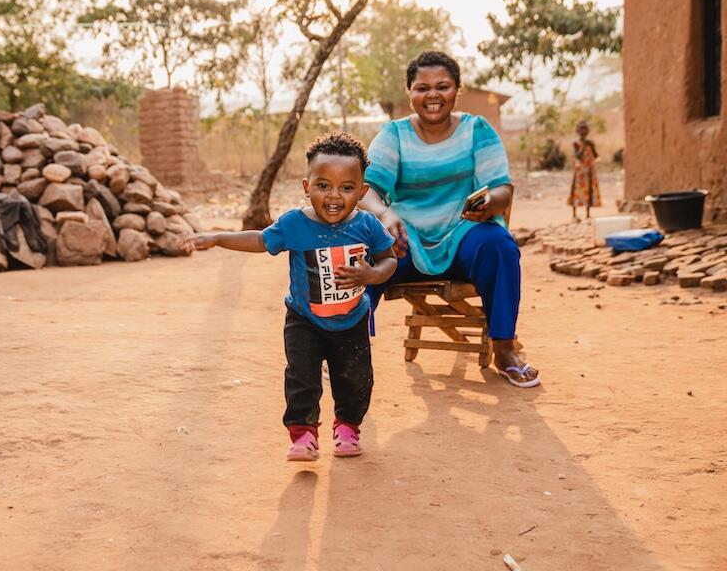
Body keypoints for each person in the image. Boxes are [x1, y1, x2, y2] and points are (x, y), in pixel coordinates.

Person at [182, 133, 397, 461]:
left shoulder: (367, 224)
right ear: (306, 186)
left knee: (355, 379)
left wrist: (372, 276)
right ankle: (303, 435)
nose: (334, 196)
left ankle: (348, 428)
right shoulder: (295, 223)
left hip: (352, 320)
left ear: (362, 191)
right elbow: (258, 240)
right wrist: (217, 237)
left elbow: (389, 258)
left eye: (347, 187)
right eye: (323, 186)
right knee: (301, 378)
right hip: (304, 321)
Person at [359, 50, 540, 388]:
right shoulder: (394, 135)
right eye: (421, 87)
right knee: (367, 246)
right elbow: (366, 190)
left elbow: (502, 190)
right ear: (409, 93)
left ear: (457, 90)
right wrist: (385, 213)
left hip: (464, 235)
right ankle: (349, 346)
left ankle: (504, 350)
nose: (432, 95)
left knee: (499, 245)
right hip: (407, 240)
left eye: (442, 86)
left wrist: (487, 203)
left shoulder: (477, 130)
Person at [568, 120, 601, 221]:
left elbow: (596, 155)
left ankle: (587, 214)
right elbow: (577, 156)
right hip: (579, 172)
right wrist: (583, 146)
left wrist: (591, 146)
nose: (584, 130)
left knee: (589, 191)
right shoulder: (576, 143)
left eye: (585, 128)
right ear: (577, 130)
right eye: (582, 128)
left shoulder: (590, 143)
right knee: (577, 191)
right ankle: (574, 214)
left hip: (589, 171)